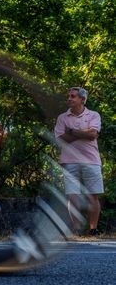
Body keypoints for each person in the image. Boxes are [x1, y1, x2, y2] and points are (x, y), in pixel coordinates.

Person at [54, 87, 103, 236]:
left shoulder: (94, 115)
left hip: (92, 161)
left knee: (93, 195)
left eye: (73, 96)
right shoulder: (62, 117)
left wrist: (72, 132)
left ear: (82, 99)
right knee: (72, 195)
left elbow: (93, 135)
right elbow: (61, 139)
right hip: (69, 161)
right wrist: (84, 133)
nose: (69, 98)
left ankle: (93, 229)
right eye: (68, 96)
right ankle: (76, 230)